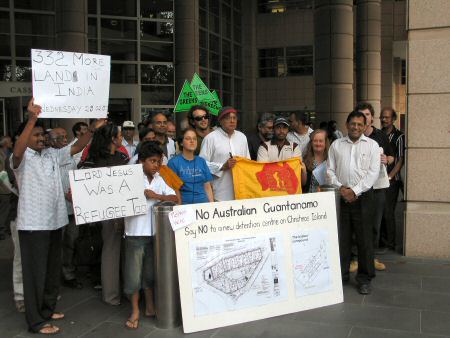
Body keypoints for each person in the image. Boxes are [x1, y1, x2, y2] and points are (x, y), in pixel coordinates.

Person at [11, 98, 104, 334]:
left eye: (43, 134)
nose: (42, 138)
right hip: (33, 225)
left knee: (51, 272)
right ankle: (36, 321)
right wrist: (32, 118)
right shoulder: (20, 160)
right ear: (25, 137)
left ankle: (47, 309)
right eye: (36, 134)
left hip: (55, 222)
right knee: (35, 274)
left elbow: (76, 147)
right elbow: (19, 149)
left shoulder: (52, 155)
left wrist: (92, 128)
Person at [123, 141, 178, 329]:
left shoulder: (160, 179)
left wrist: (157, 196)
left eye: (159, 161)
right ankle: (135, 310)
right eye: (153, 161)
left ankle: (150, 306)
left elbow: (175, 198)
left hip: (155, 234)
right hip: (134, 233)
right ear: (141, 161)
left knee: (150, 272)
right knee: (133, 275)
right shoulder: (129, 178)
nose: (156, 165)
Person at [327, 110, 380, 295]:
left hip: (363, 197)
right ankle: (341, 275)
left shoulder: (372, 146)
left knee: (364, 239)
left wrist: (355, 191)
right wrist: (342, 189)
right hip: (342, 196)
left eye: (360, 124)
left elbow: (373, 173)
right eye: (353, 124)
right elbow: (330, 170)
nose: (356, 127)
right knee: (342, 238)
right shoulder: (336, 145)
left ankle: (364, 279)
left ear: (365, 126)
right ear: (347, 124)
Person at [84, 123, 129, 306]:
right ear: (112, 138)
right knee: (112, 251)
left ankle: (116, 293)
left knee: (115, 251)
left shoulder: (117, 157)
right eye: (119, 135)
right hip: (108, 215)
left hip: (119, 212)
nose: (121, 138)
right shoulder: (117, 158)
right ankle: (112, 295)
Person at [357, 103, 394, 271]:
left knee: (374, 225)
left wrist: (388, 159)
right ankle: (356, 258)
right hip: (358, 188)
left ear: (372, 117)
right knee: (357, 223)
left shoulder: (381, 136)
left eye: (367, 114)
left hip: (378, 187)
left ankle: (370, 258)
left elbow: (392, 157)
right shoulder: (353, 136)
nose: (364, 117)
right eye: (360, 114)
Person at [48, 127, 82, 290]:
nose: (64, 139)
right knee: (56, 244)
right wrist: (64, 194)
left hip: (72, 209)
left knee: (71, 241)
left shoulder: (70, 156)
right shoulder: (48, 156)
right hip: (56, 209)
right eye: (59, 137)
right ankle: (54, 276)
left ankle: (68, 273)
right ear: (51, 140)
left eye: (65, 136)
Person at [199, 106, 250, 201]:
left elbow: (248, 162)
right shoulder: (210, 138)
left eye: (234, 118)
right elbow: (201, 166)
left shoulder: (242, 137)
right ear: (220, 121)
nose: (232, 121)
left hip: (241, 193)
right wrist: (222, 166)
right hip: (219, 194)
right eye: (228, 118)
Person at [380, 107, 405, 251]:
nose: (384, 120)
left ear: (393, 119)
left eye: (387, 117)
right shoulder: (379, 134)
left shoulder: (399, 136)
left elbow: (400, 160)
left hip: (392, 180)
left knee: (388, 211)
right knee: (380, 211)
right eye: (382, 117)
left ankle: (390, 243)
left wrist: (390, 176)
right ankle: (382, 241)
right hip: (378, 180)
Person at [168, 128, 214, 204]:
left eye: (194, 139)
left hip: (204, 207)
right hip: (184, 207)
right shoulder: (173, 162)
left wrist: (212, 205)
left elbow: (207, 186)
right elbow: (174, 189)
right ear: (181, 143)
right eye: (188, 139)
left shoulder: (201, 161)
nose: (192, 141)